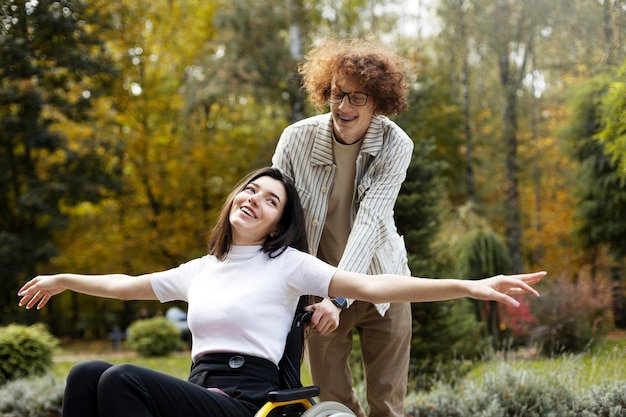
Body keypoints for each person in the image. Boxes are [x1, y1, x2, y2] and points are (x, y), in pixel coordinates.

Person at [17, 167, 545, 417]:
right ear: (233, 200)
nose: (254, 199)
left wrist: (467, 286)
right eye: (250, 189)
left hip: (251, 404)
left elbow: (373, 283)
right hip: (203, 393)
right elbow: (125, 286)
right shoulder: (202, 268)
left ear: (275, 225)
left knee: (122, 381)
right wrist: (64, 279)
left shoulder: (288, 265)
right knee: (87, 373)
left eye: (270, 201)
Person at [271, 36, 415, 417]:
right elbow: (277, 213)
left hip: (383, 283)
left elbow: (371, 220)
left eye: (357, 97)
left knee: (386, 403)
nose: (343, 106)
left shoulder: (396, 144)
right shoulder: (295, 139)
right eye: (337, 94)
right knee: (332, 400)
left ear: (379, 102)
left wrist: (340, 298)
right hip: (320, 287)